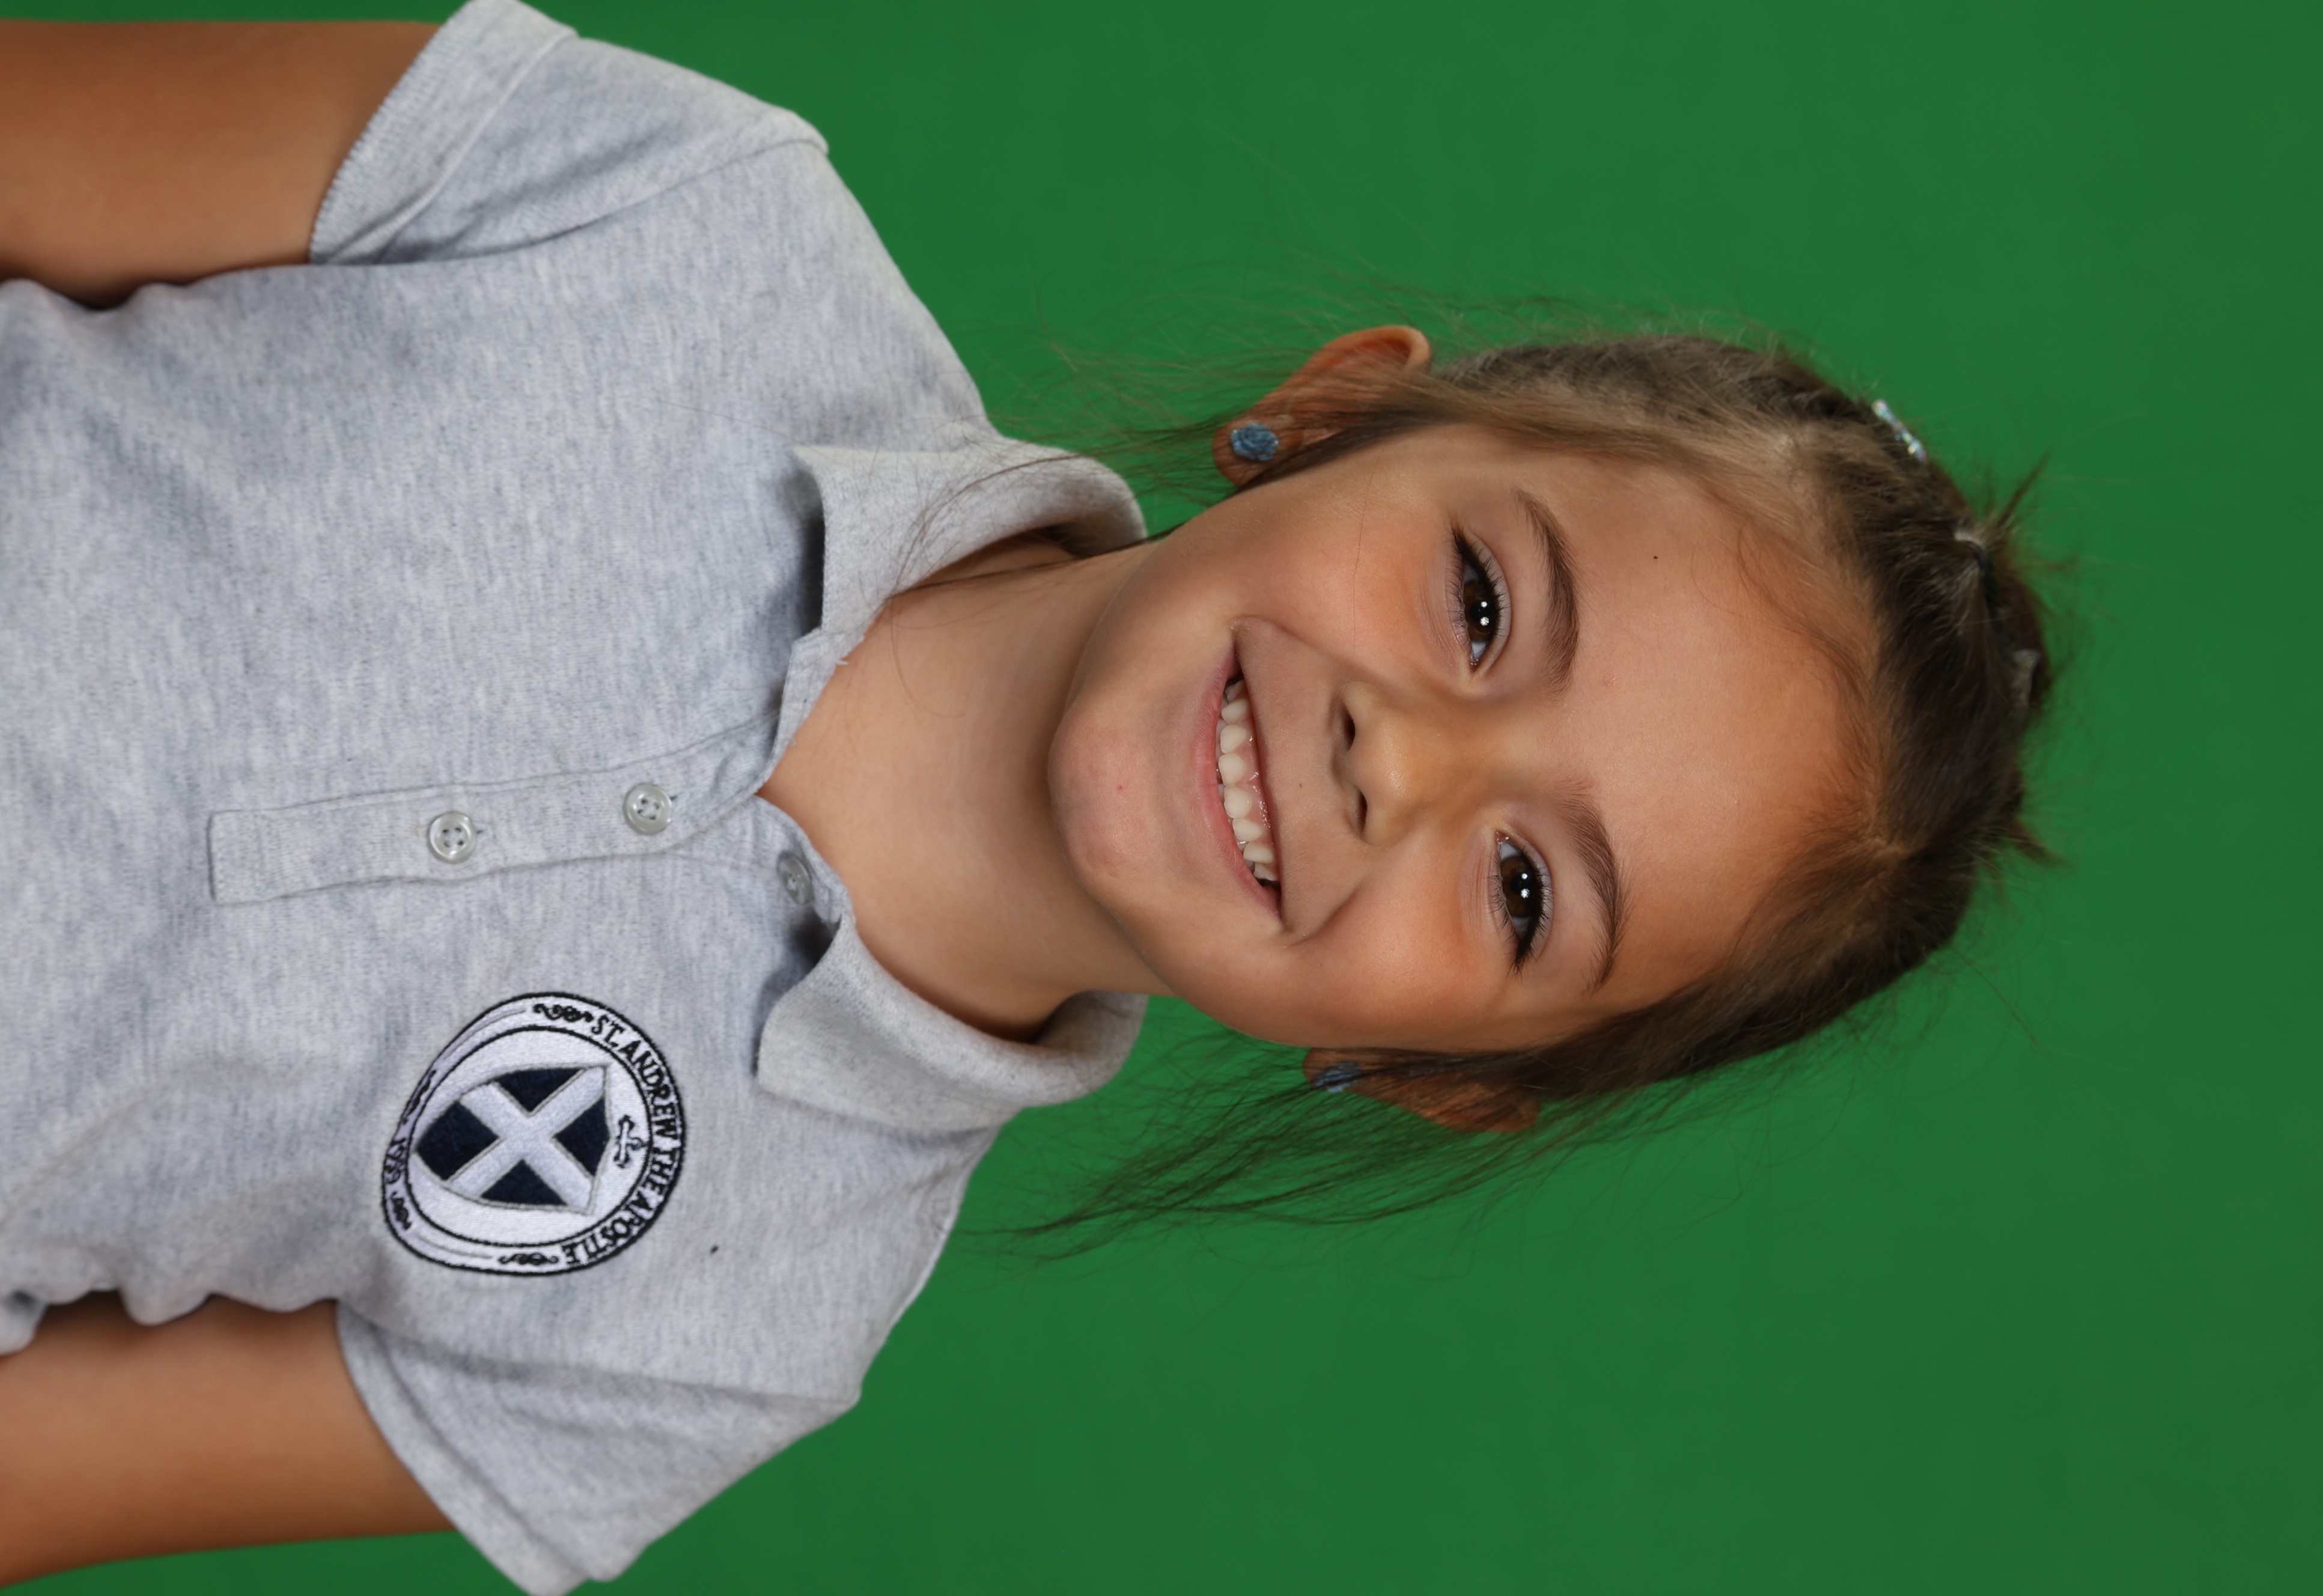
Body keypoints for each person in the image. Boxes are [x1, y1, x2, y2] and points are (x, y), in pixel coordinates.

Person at [0, 1, 2050, 1588]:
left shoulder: (727, 1341)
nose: (1404, 764)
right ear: (1337, 410)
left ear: (1445, 1073)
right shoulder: (669, 206)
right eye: (1485, 600)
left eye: (1525, 890)